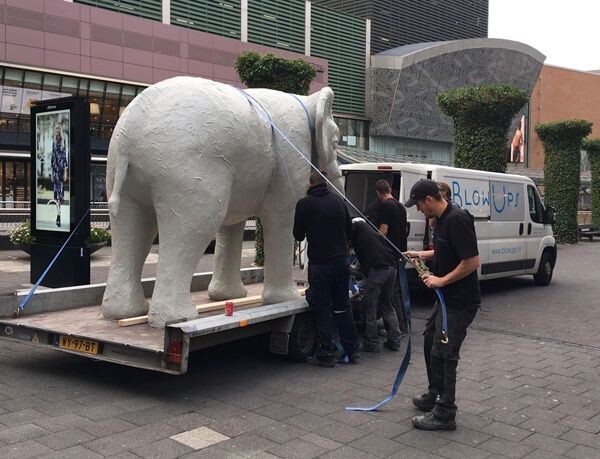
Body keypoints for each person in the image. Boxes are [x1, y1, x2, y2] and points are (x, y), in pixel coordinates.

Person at [404, 179, 480, 431]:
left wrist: (441, 280)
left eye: (417, 205)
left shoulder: (457, 219)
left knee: (444, 353)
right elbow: (445, 252)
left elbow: (471, 261)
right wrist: (420, 255)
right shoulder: (441, 220)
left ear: (429, 199)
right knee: (429, 340)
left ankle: (446, 413)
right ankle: (435, 395)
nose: (418, 210)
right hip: (446, 297)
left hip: (460, 300)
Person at [293, 170, 360, 367]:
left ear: (309, 184)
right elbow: (350, 231)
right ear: (326, 183)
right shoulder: (339, 202)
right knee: (343, 307)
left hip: (320, 263)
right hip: (341, 261)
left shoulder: (304, 204)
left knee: (323, 309)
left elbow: (297, 234)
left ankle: (326, 354)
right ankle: (352, 350)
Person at [351, 218, 402, 352]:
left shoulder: (357, 232)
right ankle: (395, 340)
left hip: (378, 270)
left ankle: (371, 343)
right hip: (392, 268)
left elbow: (364, 267)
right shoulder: (372, 234)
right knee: (387, 304)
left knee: (370, 307)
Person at [375, 179, 408, 334]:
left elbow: (383, 230)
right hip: (399, 252)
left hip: (388, 254)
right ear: (389, 189)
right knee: (398, 291)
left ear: (378, 192)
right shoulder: (400, 206)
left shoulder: (385, 206)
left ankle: (397, 328)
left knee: (391, 293)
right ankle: (403, 324)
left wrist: (373, 240)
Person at [50, 122, 68, 227]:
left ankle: (59, 213)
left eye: (58, 128)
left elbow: (64, 156)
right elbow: (53, 157)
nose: (57, 130)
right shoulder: (53, 142)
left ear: (60, 129)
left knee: (60, 193)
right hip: (55, 170)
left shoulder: (62, 141)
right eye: (56, 128)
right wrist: (52, 172)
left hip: (61, 169)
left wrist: (65, 171)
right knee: (55, 192)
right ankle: (58, 213)